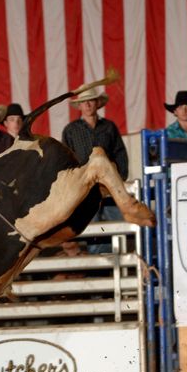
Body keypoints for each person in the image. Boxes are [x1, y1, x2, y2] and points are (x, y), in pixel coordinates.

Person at [62, 86, 128, 254]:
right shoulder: (71, 130)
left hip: (108, 185)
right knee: (91, 226)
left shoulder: (109, 127)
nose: (88, 105)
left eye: (90, 100)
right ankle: (98, 267)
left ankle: (117, 263)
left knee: (117, 224)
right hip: (84, 188)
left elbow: (119, 152)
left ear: (97, 104)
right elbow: (66, 159)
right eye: (84, 102)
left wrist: (120, 178)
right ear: (80, 106)